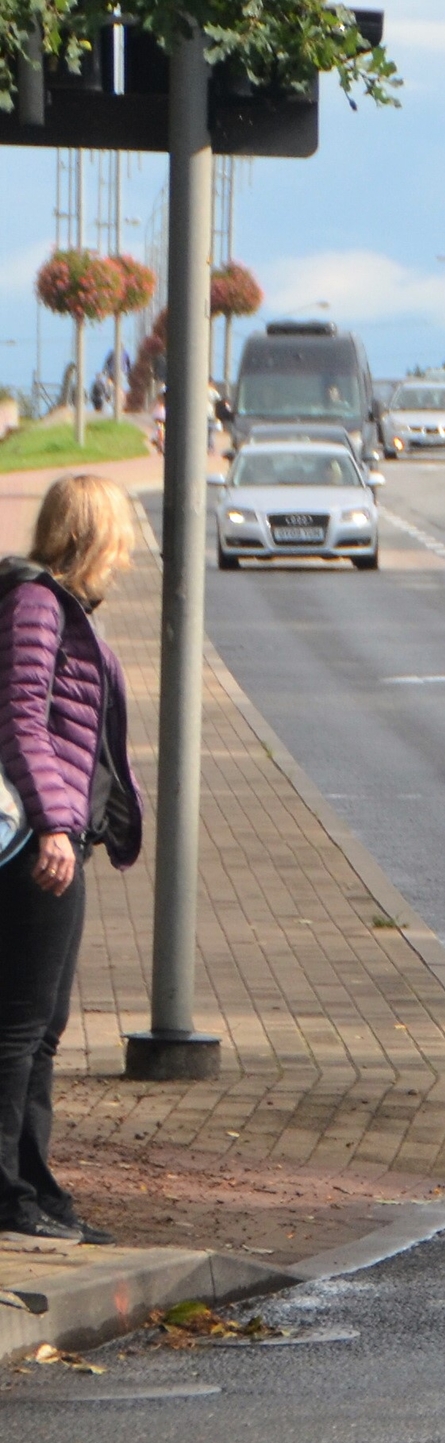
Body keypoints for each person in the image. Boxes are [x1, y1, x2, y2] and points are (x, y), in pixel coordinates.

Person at [0, 474, 145, 1245]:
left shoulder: (64, 608)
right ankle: (9, 1199)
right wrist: (56, 824)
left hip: (60, 840)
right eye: (118, 532)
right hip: (33, 845)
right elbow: (22, 719)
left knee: (44, 1023)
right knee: (18, 1025)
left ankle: (36, 1185)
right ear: (91, 533)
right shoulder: (36, 604)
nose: (125, 551)